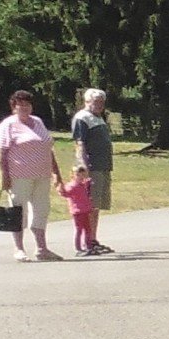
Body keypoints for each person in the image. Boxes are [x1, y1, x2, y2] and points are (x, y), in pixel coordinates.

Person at [0, 90, 65, 262]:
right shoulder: (8, 125)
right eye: (20, 104)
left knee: (41, 210)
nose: (24, 107)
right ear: (14, 107)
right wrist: (4, 176)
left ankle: (42, 249)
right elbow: (0, 153)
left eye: (27, 104)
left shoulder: (38, 122)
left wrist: (56, 173)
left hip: (42, 175)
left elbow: (48, 149)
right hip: (19, 176)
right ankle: (19, 248)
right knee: (18, 211)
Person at [67, 87, 116, 254]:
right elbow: (80, 144)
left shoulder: (98, 118)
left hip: (103, 167)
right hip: (92, 168)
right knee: (90, 206)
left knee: (97, 206)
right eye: (96, 102)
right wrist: (83, 168)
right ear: (87, 102)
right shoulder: (82, 118)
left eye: (102, 102)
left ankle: (93, 239)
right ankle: (87, 241)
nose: (100, 105)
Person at [62, 160, 99, 256]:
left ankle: (88, 246)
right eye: (79, 175)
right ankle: (78, 248)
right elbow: (66, 194)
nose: (81, 177)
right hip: (77, 211)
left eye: (83, 175)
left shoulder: (83, 185)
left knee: (88, 229)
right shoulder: (72, 186)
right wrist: (60, 188)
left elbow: (88, 184)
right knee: (79, 230)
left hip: (86, 210)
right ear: (74, 175)